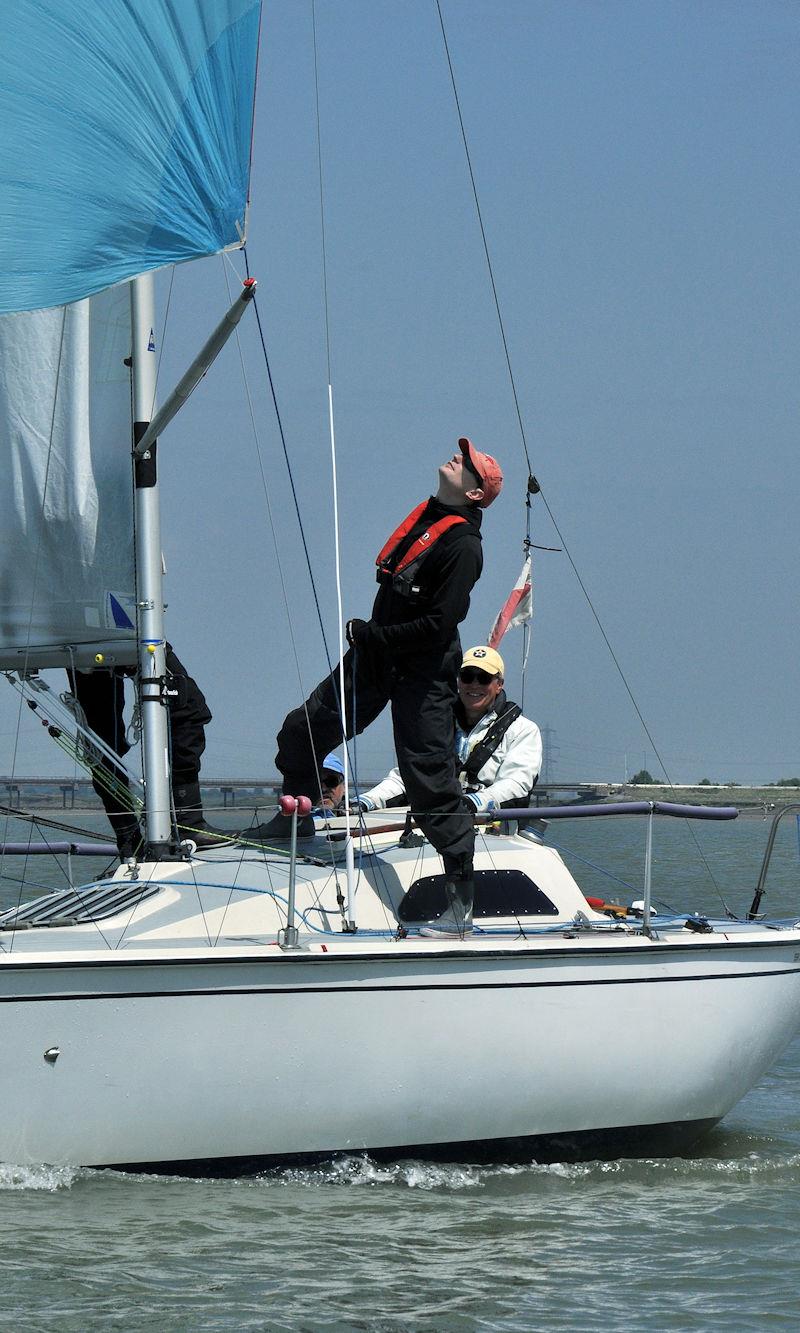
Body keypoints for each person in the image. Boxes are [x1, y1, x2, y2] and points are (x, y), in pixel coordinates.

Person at [252, 437, 503, 937]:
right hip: (377, 656)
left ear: (475, 493)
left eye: (466, 462)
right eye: (460, 455)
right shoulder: (432, 519)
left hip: (425, 672)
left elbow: (440, 623)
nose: (456, 458)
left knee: (428, 774)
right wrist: (372, 642)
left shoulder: (463, 546)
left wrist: (373, 635)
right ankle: (295, 821)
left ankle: (461, 905)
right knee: (301, 729)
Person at [68, 644, 226, 858]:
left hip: (130, 632)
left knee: (188, 706)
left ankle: (186, 824)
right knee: (101, 742)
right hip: (84, 641)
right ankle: (132, 839)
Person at [358, 645, 541, 813]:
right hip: (434, 828)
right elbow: (408, 775)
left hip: (494, 832)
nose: (475, 684)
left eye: (484, 678)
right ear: (458, 681)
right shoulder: (436, 725)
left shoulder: (523, 730)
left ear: (499, 684)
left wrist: (474, 803)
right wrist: (366, 800)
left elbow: (516, 783)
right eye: (467, 676)